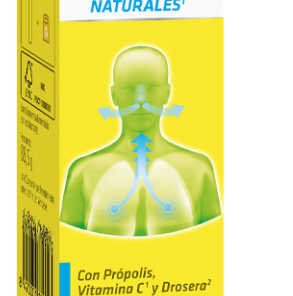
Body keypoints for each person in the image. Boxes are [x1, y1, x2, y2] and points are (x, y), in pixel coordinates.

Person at [60, 46, 221, 236]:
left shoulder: (199, 170)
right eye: (129, 89)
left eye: (151, 88)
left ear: (167, 93)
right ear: (114, 95)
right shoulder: (83, 173)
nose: (141, 99)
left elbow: (212, 243)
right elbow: (67, 246)